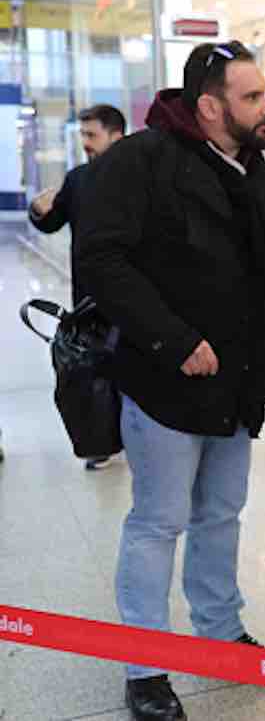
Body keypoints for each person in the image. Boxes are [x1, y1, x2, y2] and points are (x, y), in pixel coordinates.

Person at [75, 41, 265, 721]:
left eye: (264, 93)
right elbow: (104, 261)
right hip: (167, 380)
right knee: (159, 519)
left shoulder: (262, 158)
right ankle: (144, 665)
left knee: (221, 513)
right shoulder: (141, 162)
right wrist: (175, 340)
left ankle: (220, 629)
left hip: (241, 381)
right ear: (210, 107)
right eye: (252, 97)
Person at [29, 103, 127, 470]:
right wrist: (39, 210)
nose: (85, 142)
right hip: (90, 298)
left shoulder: (142, 180)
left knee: (134, 368)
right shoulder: (78, 179)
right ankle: (101, 440)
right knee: (94, 370)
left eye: (92, 134)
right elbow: (52, 221)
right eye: (83, 135)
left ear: (116, 135)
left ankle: (137, 436)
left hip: (137, 293)